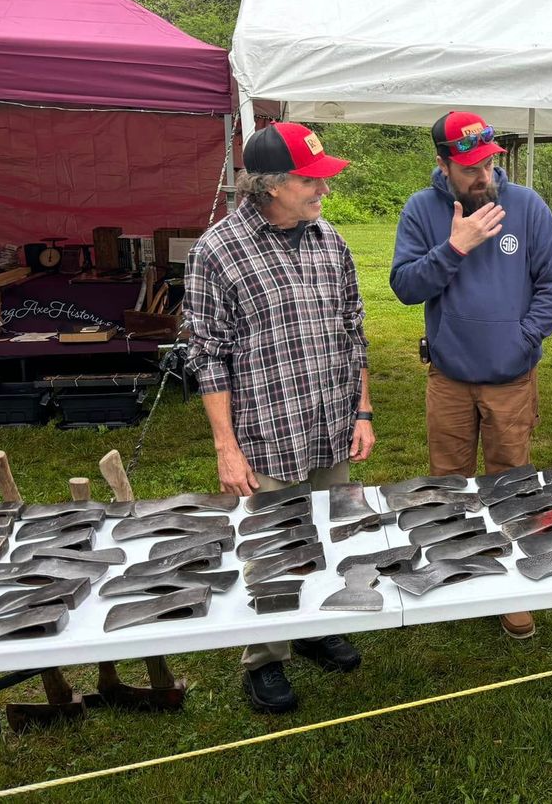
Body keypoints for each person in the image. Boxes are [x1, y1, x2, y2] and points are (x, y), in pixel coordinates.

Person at [185, 122, 375, 714]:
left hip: (332, 425)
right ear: (269, 185)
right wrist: (225, 446)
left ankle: (317, 623)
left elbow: (353, 327)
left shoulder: (329, 238)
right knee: (271, 544)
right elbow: (207, 355)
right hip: (269, 432)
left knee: (329, 531)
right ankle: (265, 658)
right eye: (310, 179)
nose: (323, 189)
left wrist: (362, 410)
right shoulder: (217, 251)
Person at [389, 111, 552, 640]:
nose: (482, 175)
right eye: (468, 168)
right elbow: (404, 286)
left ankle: (513, 586)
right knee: (447, 481)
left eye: (488, 163)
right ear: (442, 165)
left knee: (511, 478)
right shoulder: (423, 210)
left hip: (511, 377)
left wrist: (522, 339)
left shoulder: (528, 207)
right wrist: (455, 247)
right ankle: (456, 571)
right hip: (448, 375)